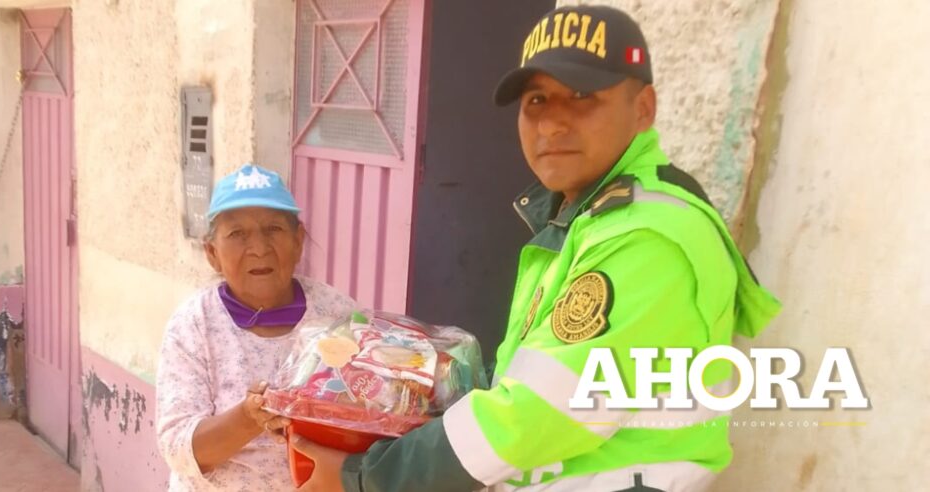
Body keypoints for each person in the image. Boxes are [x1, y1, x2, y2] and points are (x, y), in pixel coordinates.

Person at [292, 5, 781, 492]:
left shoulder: (644, 237)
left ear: (643, 108)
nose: (551, 125)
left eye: (583, 96)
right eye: (537, 101)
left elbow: (535, 413)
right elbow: (529, 375)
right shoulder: (584, 218)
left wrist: (365, 479)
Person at [155, 163, 358, 491]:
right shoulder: (193, 325)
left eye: (274, 229)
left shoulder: (337, 315)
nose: (260, 248)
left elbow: (369, 410)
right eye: (237, 234)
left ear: (298, 241)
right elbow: (178, 450)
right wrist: (249, 418)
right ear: (212, 253)